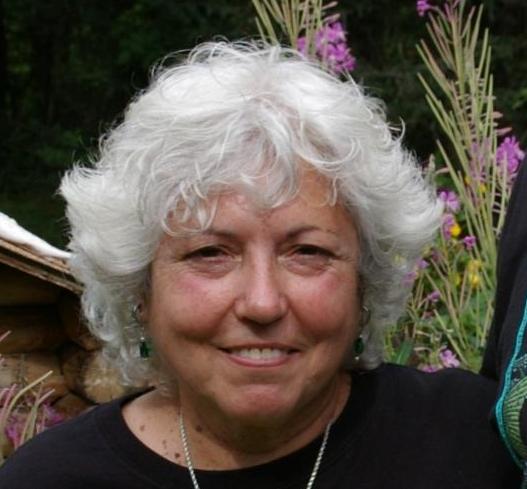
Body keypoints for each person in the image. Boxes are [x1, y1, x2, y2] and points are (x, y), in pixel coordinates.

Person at [0, 42, 519, 488]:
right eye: (210, 253)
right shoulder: (49, 480)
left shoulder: (474, 445)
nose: (263, 302)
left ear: (365, 284)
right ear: (140, 290)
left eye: (307, 252)